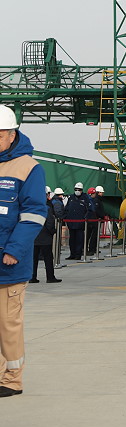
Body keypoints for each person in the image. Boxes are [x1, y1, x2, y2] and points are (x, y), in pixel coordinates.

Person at [0, 103, 47, 396]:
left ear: (13, 133)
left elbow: (34, 214)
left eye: (0, 133)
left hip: (9, 262)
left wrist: (14, 250)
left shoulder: (29, 167)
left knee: (8, 325)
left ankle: (12, 380)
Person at [30, 190, 62, 284]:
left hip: (34, 236)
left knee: (33, 258)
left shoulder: (32, 208)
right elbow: (49, 222)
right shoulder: (46, 208)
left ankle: (32, 276)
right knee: (48, 258)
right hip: (45, 236)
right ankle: (50, 277)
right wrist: (52, 231)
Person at [64, 182, 88, 261]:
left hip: (80, 224)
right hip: (71, 223)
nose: (77, 191)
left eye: (79, 189)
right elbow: (67, 209)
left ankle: (78, 254)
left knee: (79, 240)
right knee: (72, 240)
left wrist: (85, 218)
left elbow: (90, 209)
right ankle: (72, 254)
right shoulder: (71, 197)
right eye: (76, 189)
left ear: (82, 190)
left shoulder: (85, 198)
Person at [86, 187, 106, 256]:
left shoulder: (94, 200)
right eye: (101, 192)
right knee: (93, 235)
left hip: (93, 219)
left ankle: (92, 248)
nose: (102, 194)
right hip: (94, 220)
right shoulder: (96, 200)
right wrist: (102, 216)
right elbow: (97, 210)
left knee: (90, 235)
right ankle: (91, 249)